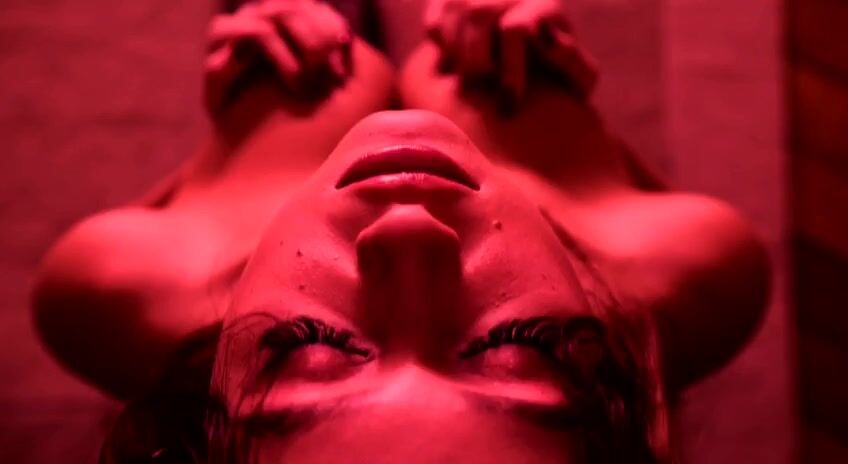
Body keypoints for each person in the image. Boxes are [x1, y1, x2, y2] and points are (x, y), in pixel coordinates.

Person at [31, 0, 770, 462]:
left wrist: (219, 160)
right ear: (609, 392)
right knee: (496, 56)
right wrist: (586, 143)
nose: (410, 227)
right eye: (518, 347)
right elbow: (621, 190)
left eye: (308, 350)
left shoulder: (107, 286)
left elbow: (171, 208)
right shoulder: (700, 267)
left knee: (289, 63)